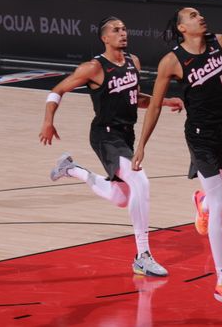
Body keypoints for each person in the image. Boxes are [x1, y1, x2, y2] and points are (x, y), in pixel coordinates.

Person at [42, 17, 183, 279]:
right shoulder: (93, 68)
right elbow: (57, 90)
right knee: (141, 181)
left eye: (124, 29)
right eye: (116, 31)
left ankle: (71, 169)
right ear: (104, 38)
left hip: (125, 135)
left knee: (121, 198)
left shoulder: (133, 62)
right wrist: (48, 121)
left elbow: (135, 98)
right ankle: (142, 256)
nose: (123, 33)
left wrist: (164, 101)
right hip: (105, 136)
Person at [132, 7, 222, 308]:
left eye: (200, 14)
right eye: (193, 15)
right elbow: (155, 106)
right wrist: (141, 145)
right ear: (182, 28)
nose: (200, 17)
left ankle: (201, 202)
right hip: (201, 135)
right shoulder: (171, 62)